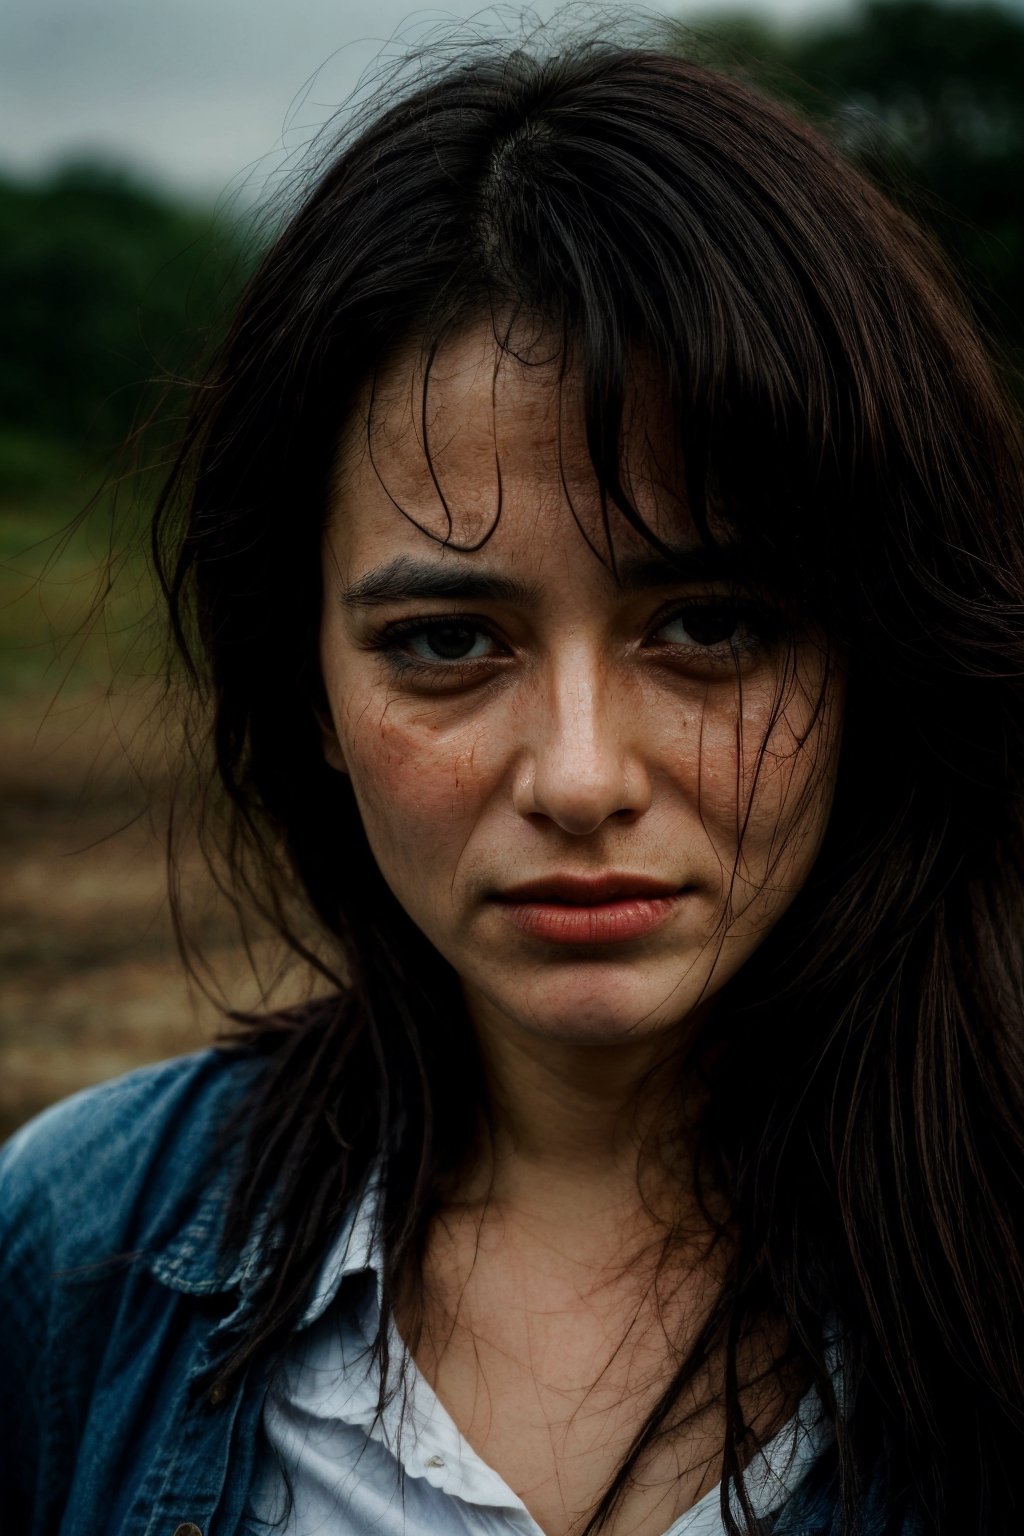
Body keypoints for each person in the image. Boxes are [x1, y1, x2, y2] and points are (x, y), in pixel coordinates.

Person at [2, 35, 1023, 1536]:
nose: (581, 776)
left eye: (710, 625)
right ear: (315, 692)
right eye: (448, 642)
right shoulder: (78, 1255)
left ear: (877, 644)